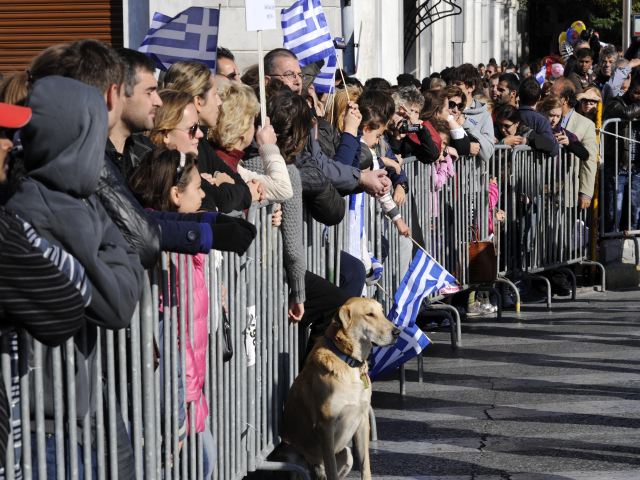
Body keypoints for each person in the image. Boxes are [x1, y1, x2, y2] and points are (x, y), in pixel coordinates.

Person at [6, 75, 145, 478]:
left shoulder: (76, 204)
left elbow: (126, 256)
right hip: (45, 428)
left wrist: (110, 246)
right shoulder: (39, 207)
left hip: (73, 417)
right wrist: (111, 249)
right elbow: (119, 301)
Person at [128, 148, 214, 479]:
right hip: (176, 398)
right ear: (176, 194)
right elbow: (170, 336)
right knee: (202, 465)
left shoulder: (185, 249)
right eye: (197, 187)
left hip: (190, 393)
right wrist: (179, 412)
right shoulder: (167, 258)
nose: (204, 192)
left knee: (206, 464)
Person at [163, 60, 254, 213]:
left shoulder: (202, 145)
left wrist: (222, 181)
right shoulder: (169, 156)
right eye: (215, 94)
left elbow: (245, 193)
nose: (219, 102)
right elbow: (220, 201)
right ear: (198, 101)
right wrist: (223, 185)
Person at [211, 81, 293, 202]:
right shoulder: (223, 162)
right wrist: (269, 147)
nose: (254, 128)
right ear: (242, 128)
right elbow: (283, 189)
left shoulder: (230, 162)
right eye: (252, 122)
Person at [550, 77, 598, 208]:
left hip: (569, 192)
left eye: (553, 95)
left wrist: (586, 193)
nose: (549, 97)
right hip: (544, 190)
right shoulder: (545, 116)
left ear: (564, 99)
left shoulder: (586, 124)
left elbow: (590, 159)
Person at [603, 70, 640, 231]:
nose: (638, 96)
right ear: (630, 88)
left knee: (635, 211)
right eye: (637, 92)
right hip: (618, 166)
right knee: (613, 212)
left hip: (637, 167)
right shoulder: (615, 102)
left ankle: (633, 248)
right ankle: (612, 245)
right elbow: (625, 113)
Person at [450, 63, 495, 162]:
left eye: (458, 84)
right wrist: (466, 147)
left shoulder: (484, 115)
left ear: (471, 87)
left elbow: (488, 153)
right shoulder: (446, 108)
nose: (453, 86)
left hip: (473, 175)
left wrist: (466, 124)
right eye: (452, 83)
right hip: (448, 174)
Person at [538, 95, 590, 162]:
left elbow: (585, 155)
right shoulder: (536, 129)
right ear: (544, 113)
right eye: (551, 115)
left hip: (558, 171)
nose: (554, 120)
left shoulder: (563, 133)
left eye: (558, 116)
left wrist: (569, 143)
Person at [517, 77, 559, 156]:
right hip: (533, 166)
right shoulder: (541, 120)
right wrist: (555, 144)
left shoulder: (510, 114)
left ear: (519, 95)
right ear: (539, 97)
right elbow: (552, 149)